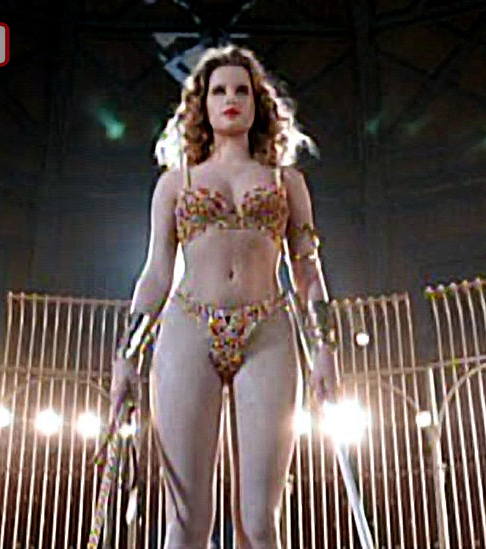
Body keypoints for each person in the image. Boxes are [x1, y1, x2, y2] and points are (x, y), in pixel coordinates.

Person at [110, 44, 339, 549]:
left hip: (268, 329)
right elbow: (156, 273)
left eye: (241, 90)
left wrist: (325, 349)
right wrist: (127, 354)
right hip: (188, 329)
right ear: (202, 105)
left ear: (258, 104)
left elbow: (308, 270)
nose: (230, 99)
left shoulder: (288, 182)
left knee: (260, 522)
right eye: (219, 91)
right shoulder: (175, 184)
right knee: (187, 520)